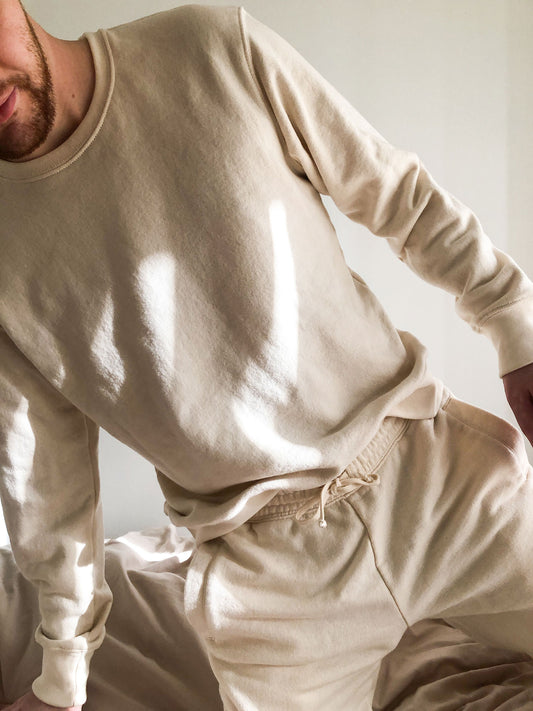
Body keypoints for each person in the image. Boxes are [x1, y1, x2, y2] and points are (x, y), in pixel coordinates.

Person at [1, 1, 533, 709]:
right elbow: (45, 479)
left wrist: (514, 325)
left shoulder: (211, 47)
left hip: (435, 480)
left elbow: (396, 194)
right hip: (270, 592)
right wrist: (62, 673)